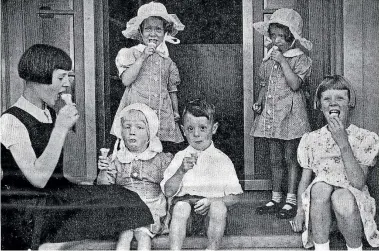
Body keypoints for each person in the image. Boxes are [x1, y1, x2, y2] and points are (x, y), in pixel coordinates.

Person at [0, 44, 153, 250]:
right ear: (39, 77)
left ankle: (56, 243)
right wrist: (60, 128)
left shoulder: (48, 112)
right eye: (60, 78)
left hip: (54, 199)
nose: (66, 86)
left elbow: (55, 175)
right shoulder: (10, 120)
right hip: (28, 210)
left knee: (126, 198)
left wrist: (88, 186)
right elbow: (38, 178)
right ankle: (53, 245)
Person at [291, 75, 379, 251]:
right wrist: (300, 210)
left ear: (349, 103)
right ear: (320, 105)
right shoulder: (311, 139)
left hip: (351, 200)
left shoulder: (364, 138)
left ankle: (355, 248)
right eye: (327, 99)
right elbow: (304, 181)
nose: (333, 103)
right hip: (319, 204)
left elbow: (358, 182)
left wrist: (342, 141)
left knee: (341, 197)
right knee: (319, 187)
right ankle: (321, 247)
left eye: (340, 98)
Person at [250, 8, 313, 219]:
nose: (276, 40)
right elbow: (263, 85)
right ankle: (276, 197)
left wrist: (283, 61)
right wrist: (258, 102)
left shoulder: (299, 59)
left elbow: (295, 84)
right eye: (273, 35)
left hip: (292, 115)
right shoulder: (268, 60)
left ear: (292, 37)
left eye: (282, 36)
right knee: (275, 157)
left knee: (290, 157)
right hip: (272, 115)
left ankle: (291, 199)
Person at [161, 99, 243, 250]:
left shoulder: (222, 159)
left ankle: (212, 248)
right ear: (183, 130)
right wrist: (180, 171)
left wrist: (212, 200)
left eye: (203, 128)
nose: (196, 134)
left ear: (214, 128)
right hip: (186, 217)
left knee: (219, 208)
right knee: (180, 207)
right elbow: (168, 191)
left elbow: (235, 196)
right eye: (190, 129)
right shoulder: (180, 157)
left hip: (211, 217)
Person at [97, 103, 173, 250]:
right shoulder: (117, 158)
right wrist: (103, 170)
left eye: (139, 127)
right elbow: (103, 186)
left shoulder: (160, 159)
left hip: (150, 208)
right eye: (127, 127)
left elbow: (169, 188)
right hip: (125, 207)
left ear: (149, 133)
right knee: (124, 235)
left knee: (143, 236)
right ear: (121, 131)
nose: (132, 132)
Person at [111, 1, 185, 153]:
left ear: (165, 32)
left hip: (161, 112)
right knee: (135, 145)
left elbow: (172, 89)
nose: (153, 34)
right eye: (148, 29)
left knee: (158, 149)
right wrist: (143, 57)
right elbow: (126, 80)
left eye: (158, 29)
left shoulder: (167, 60)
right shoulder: (131, 53)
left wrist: (175, 110)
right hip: (137, 110)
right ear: (140, 32)